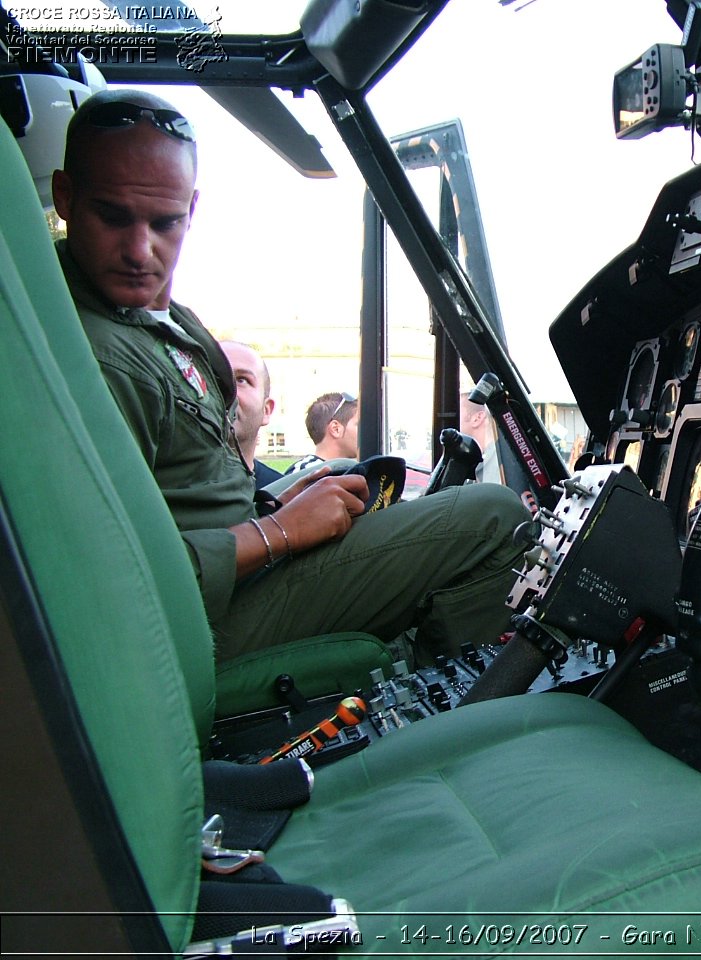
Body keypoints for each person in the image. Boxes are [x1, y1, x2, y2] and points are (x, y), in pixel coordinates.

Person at [52, 88, 529, 663]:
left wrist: (273, 507)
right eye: (113, 216)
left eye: (165, 222)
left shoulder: (159, 320)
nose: (139, 249)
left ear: (192, 209)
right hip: (197, 625)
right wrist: (277, 533)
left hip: (236, 577)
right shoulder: (93, 354)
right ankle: (450, 714)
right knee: (494, 519)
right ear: (65, 197)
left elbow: (187, 492)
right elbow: (109, 577)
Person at [219, 339, 283, 489]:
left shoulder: (286, 496)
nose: (225, 390)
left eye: (242, 380)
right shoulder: (159, 490)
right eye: (213, 377)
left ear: (266, 410)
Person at [284, 391, 359, 475]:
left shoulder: (355, 471)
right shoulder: (303, 473)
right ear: (335, 429)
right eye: (359, 424)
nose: (365, 431)